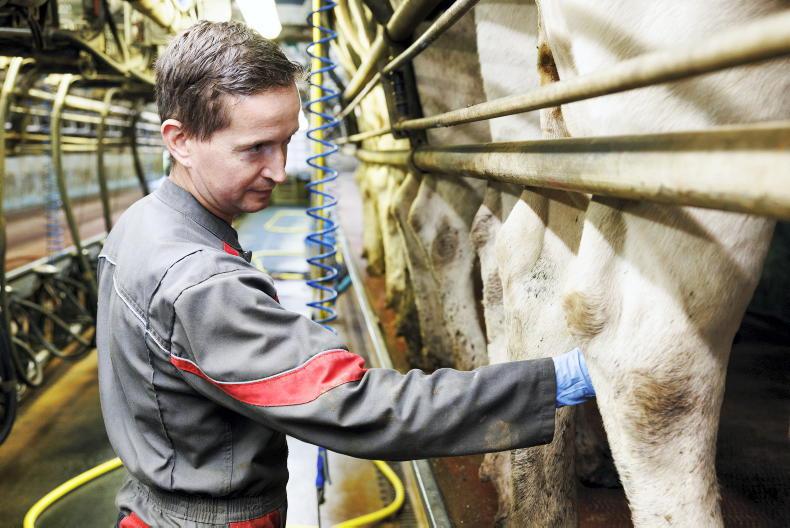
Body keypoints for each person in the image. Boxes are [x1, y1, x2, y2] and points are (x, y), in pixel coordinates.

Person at [96, 21, 595, 528]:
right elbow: (358, 406)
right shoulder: (200, 283)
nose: (279, 170)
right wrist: (556, 380)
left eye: (286, 142)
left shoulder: (140, 225)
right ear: (180, 140)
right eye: (255, 148)